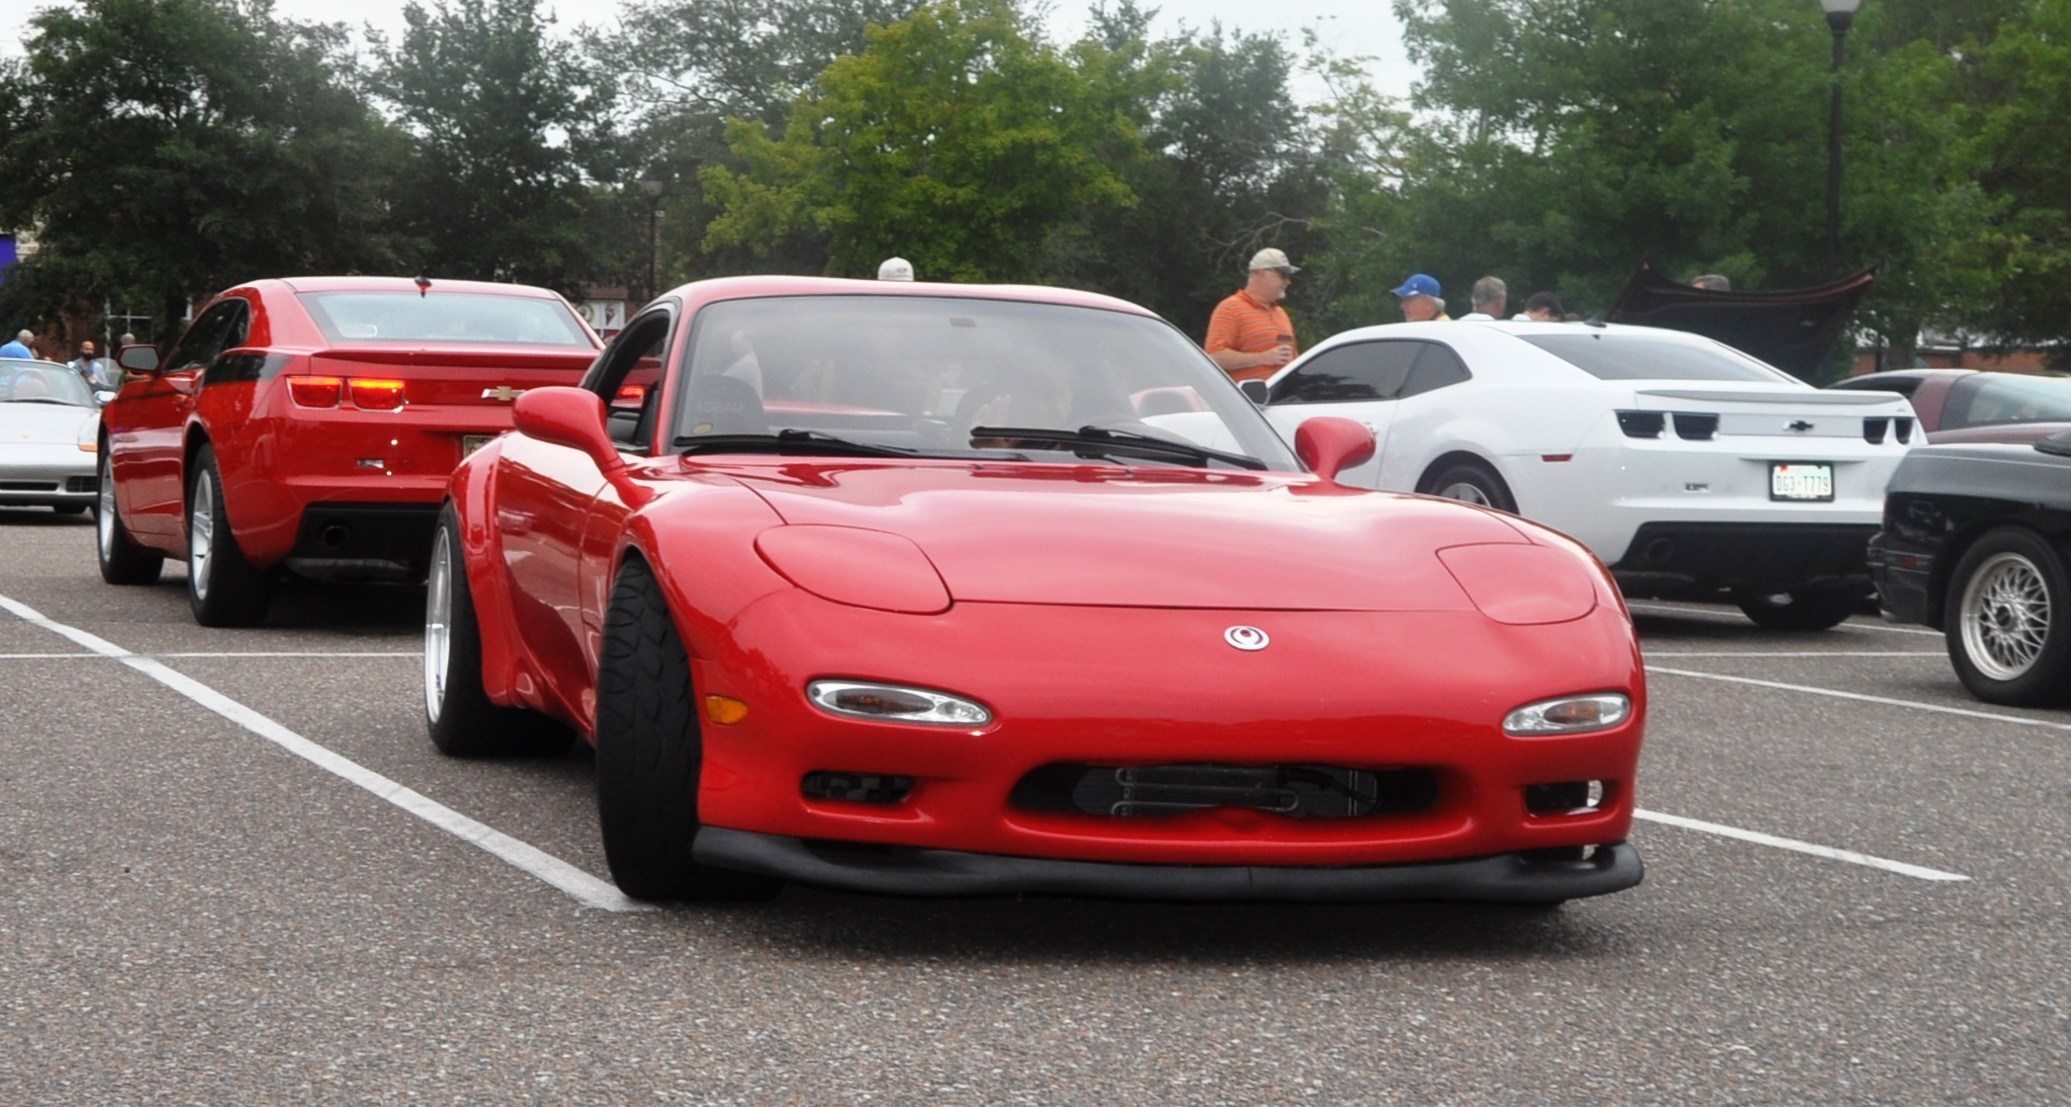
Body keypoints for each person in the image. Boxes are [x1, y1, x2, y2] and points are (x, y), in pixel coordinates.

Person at [1204, 247, 1300, 382]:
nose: (1288, 281)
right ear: (1262, 274)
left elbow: (1293, 359)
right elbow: (1214, 356)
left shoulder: (1281, 313)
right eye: (1283, 275)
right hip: (1248, 400)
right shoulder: (1230, 308)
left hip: (1283, 400)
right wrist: (1263, 358)